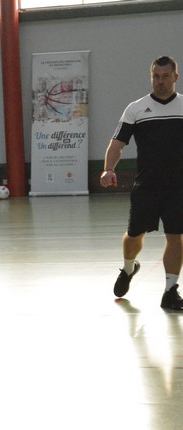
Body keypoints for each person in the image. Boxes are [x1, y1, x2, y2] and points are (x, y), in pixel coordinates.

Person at [100, 55, 183, 310]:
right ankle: (128, 267)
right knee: (134, 235)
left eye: (165, 76)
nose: (160, 81)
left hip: (178, 188)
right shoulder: (136, 109)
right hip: (146, 186)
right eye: (156, 76)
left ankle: (170, 291)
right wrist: (108, 169)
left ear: (175, 77)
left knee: (176, 236)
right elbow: (117, 144)